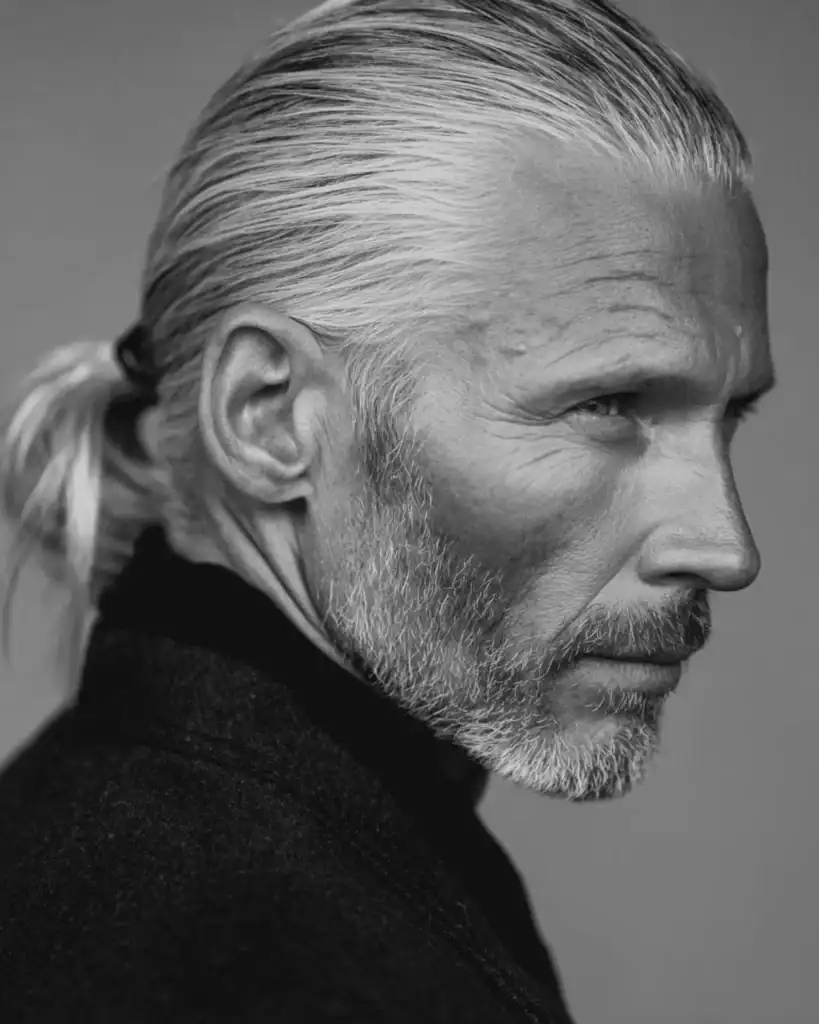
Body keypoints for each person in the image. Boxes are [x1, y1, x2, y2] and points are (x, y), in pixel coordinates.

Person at [0, 1, 776, 1020]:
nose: (726, 546)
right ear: (270, 415)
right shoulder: (237, 949)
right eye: (610, 405)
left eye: (728, 423)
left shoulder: (178, 846)